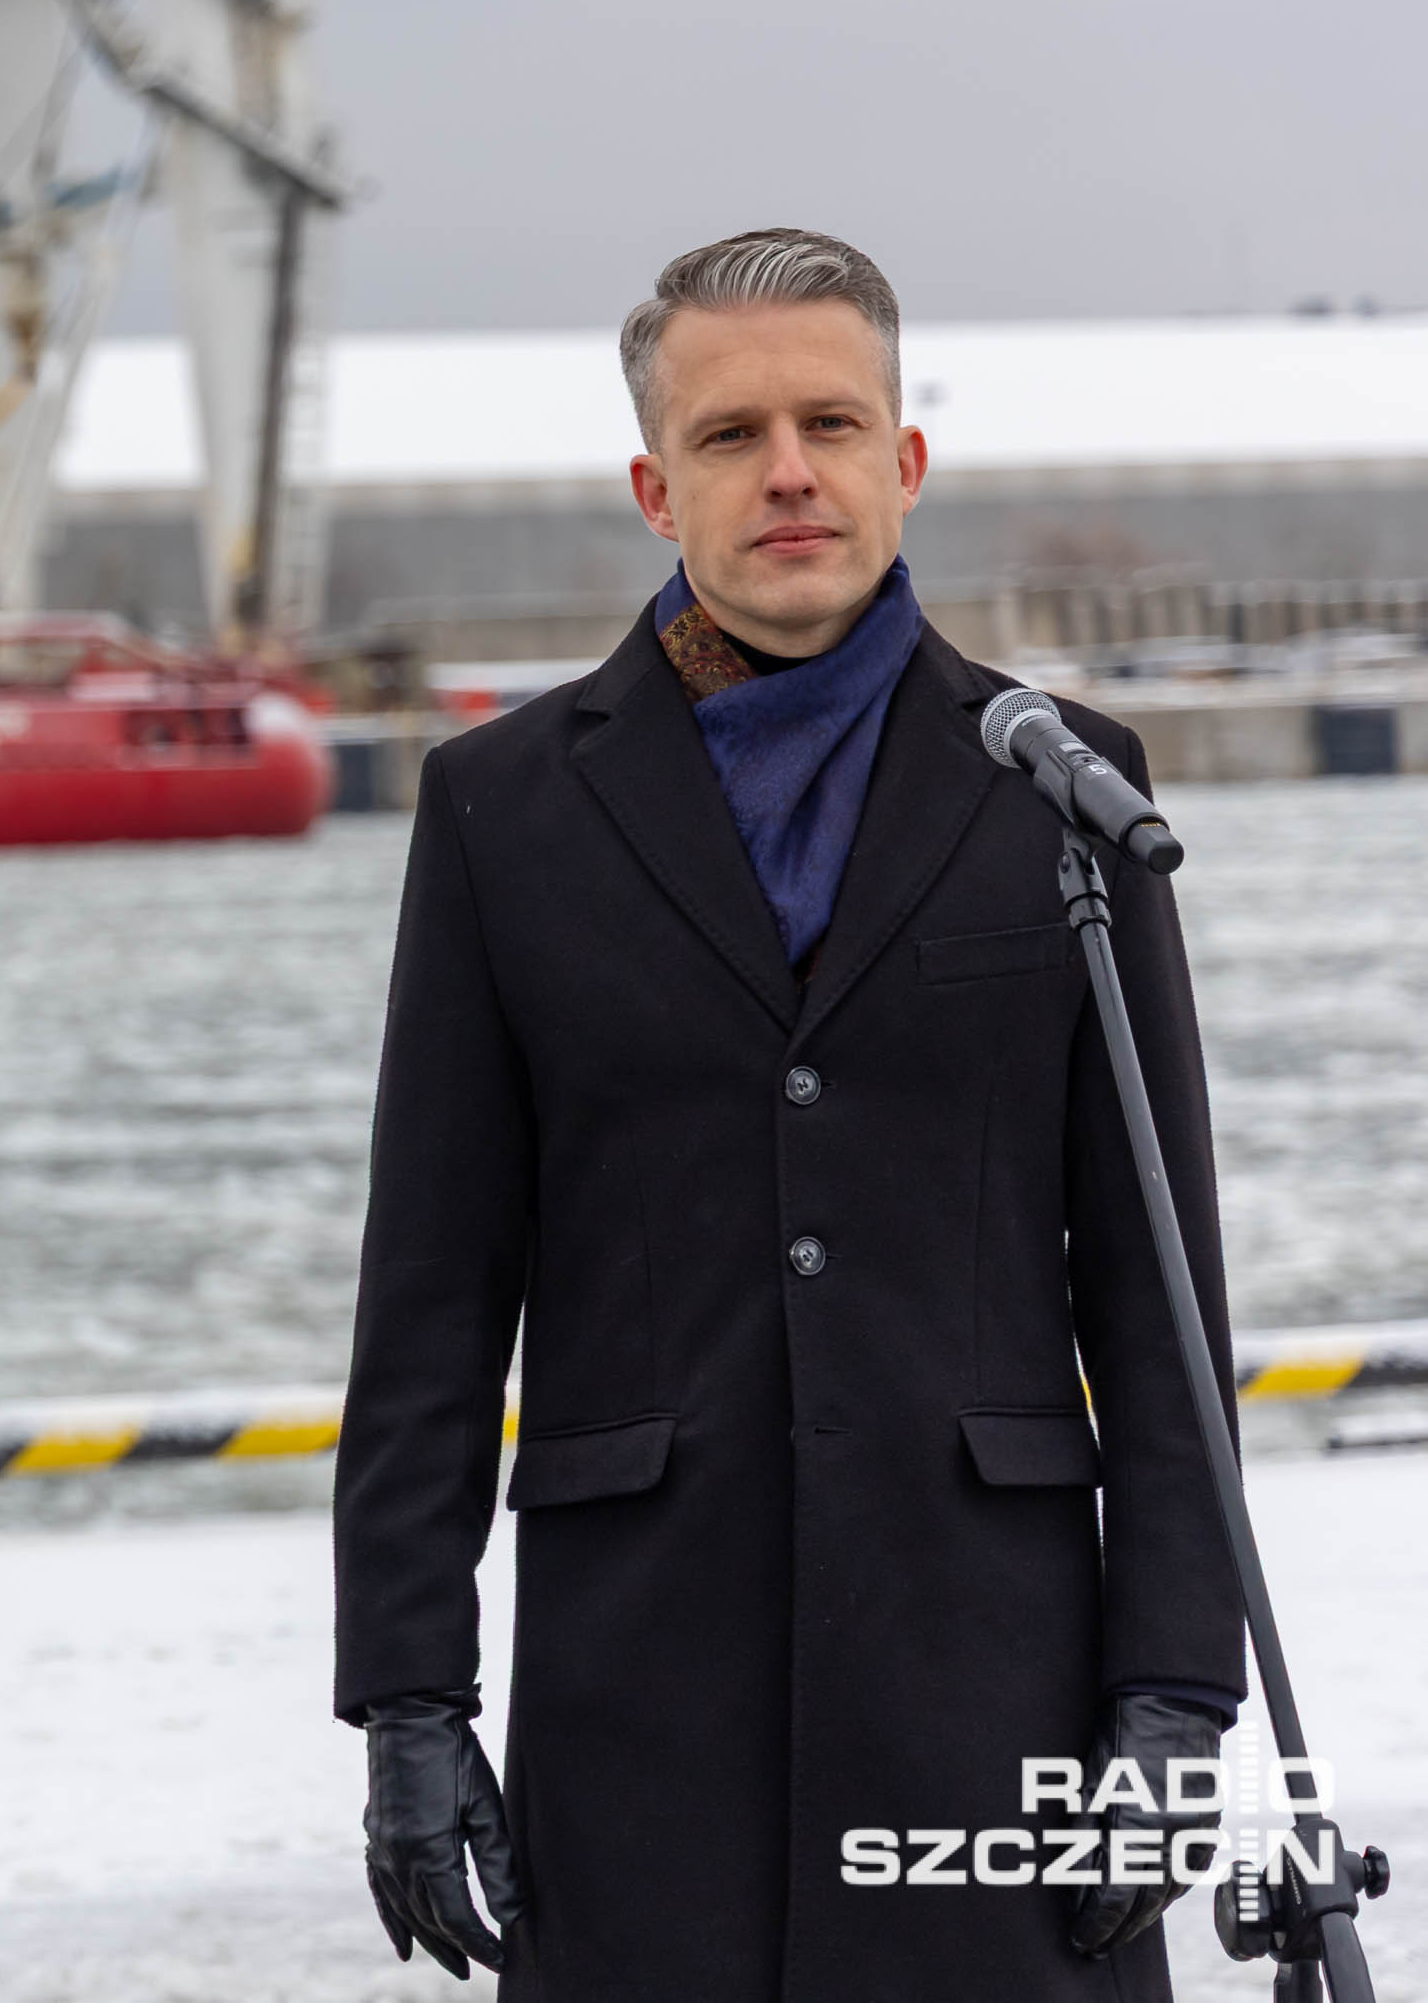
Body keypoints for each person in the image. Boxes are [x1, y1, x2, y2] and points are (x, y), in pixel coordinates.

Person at [332, 229, 1251, 1998]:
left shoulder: (1063, 785)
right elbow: (432, 1296)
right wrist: (409, 1700)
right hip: (637, 1697)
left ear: (905, 461)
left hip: (1000, 1683)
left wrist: (1175, 1692)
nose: (789, 473)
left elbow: (1159, 1279)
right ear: (653, 488)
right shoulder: (502, 810)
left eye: (831, 424)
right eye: (730, 435)